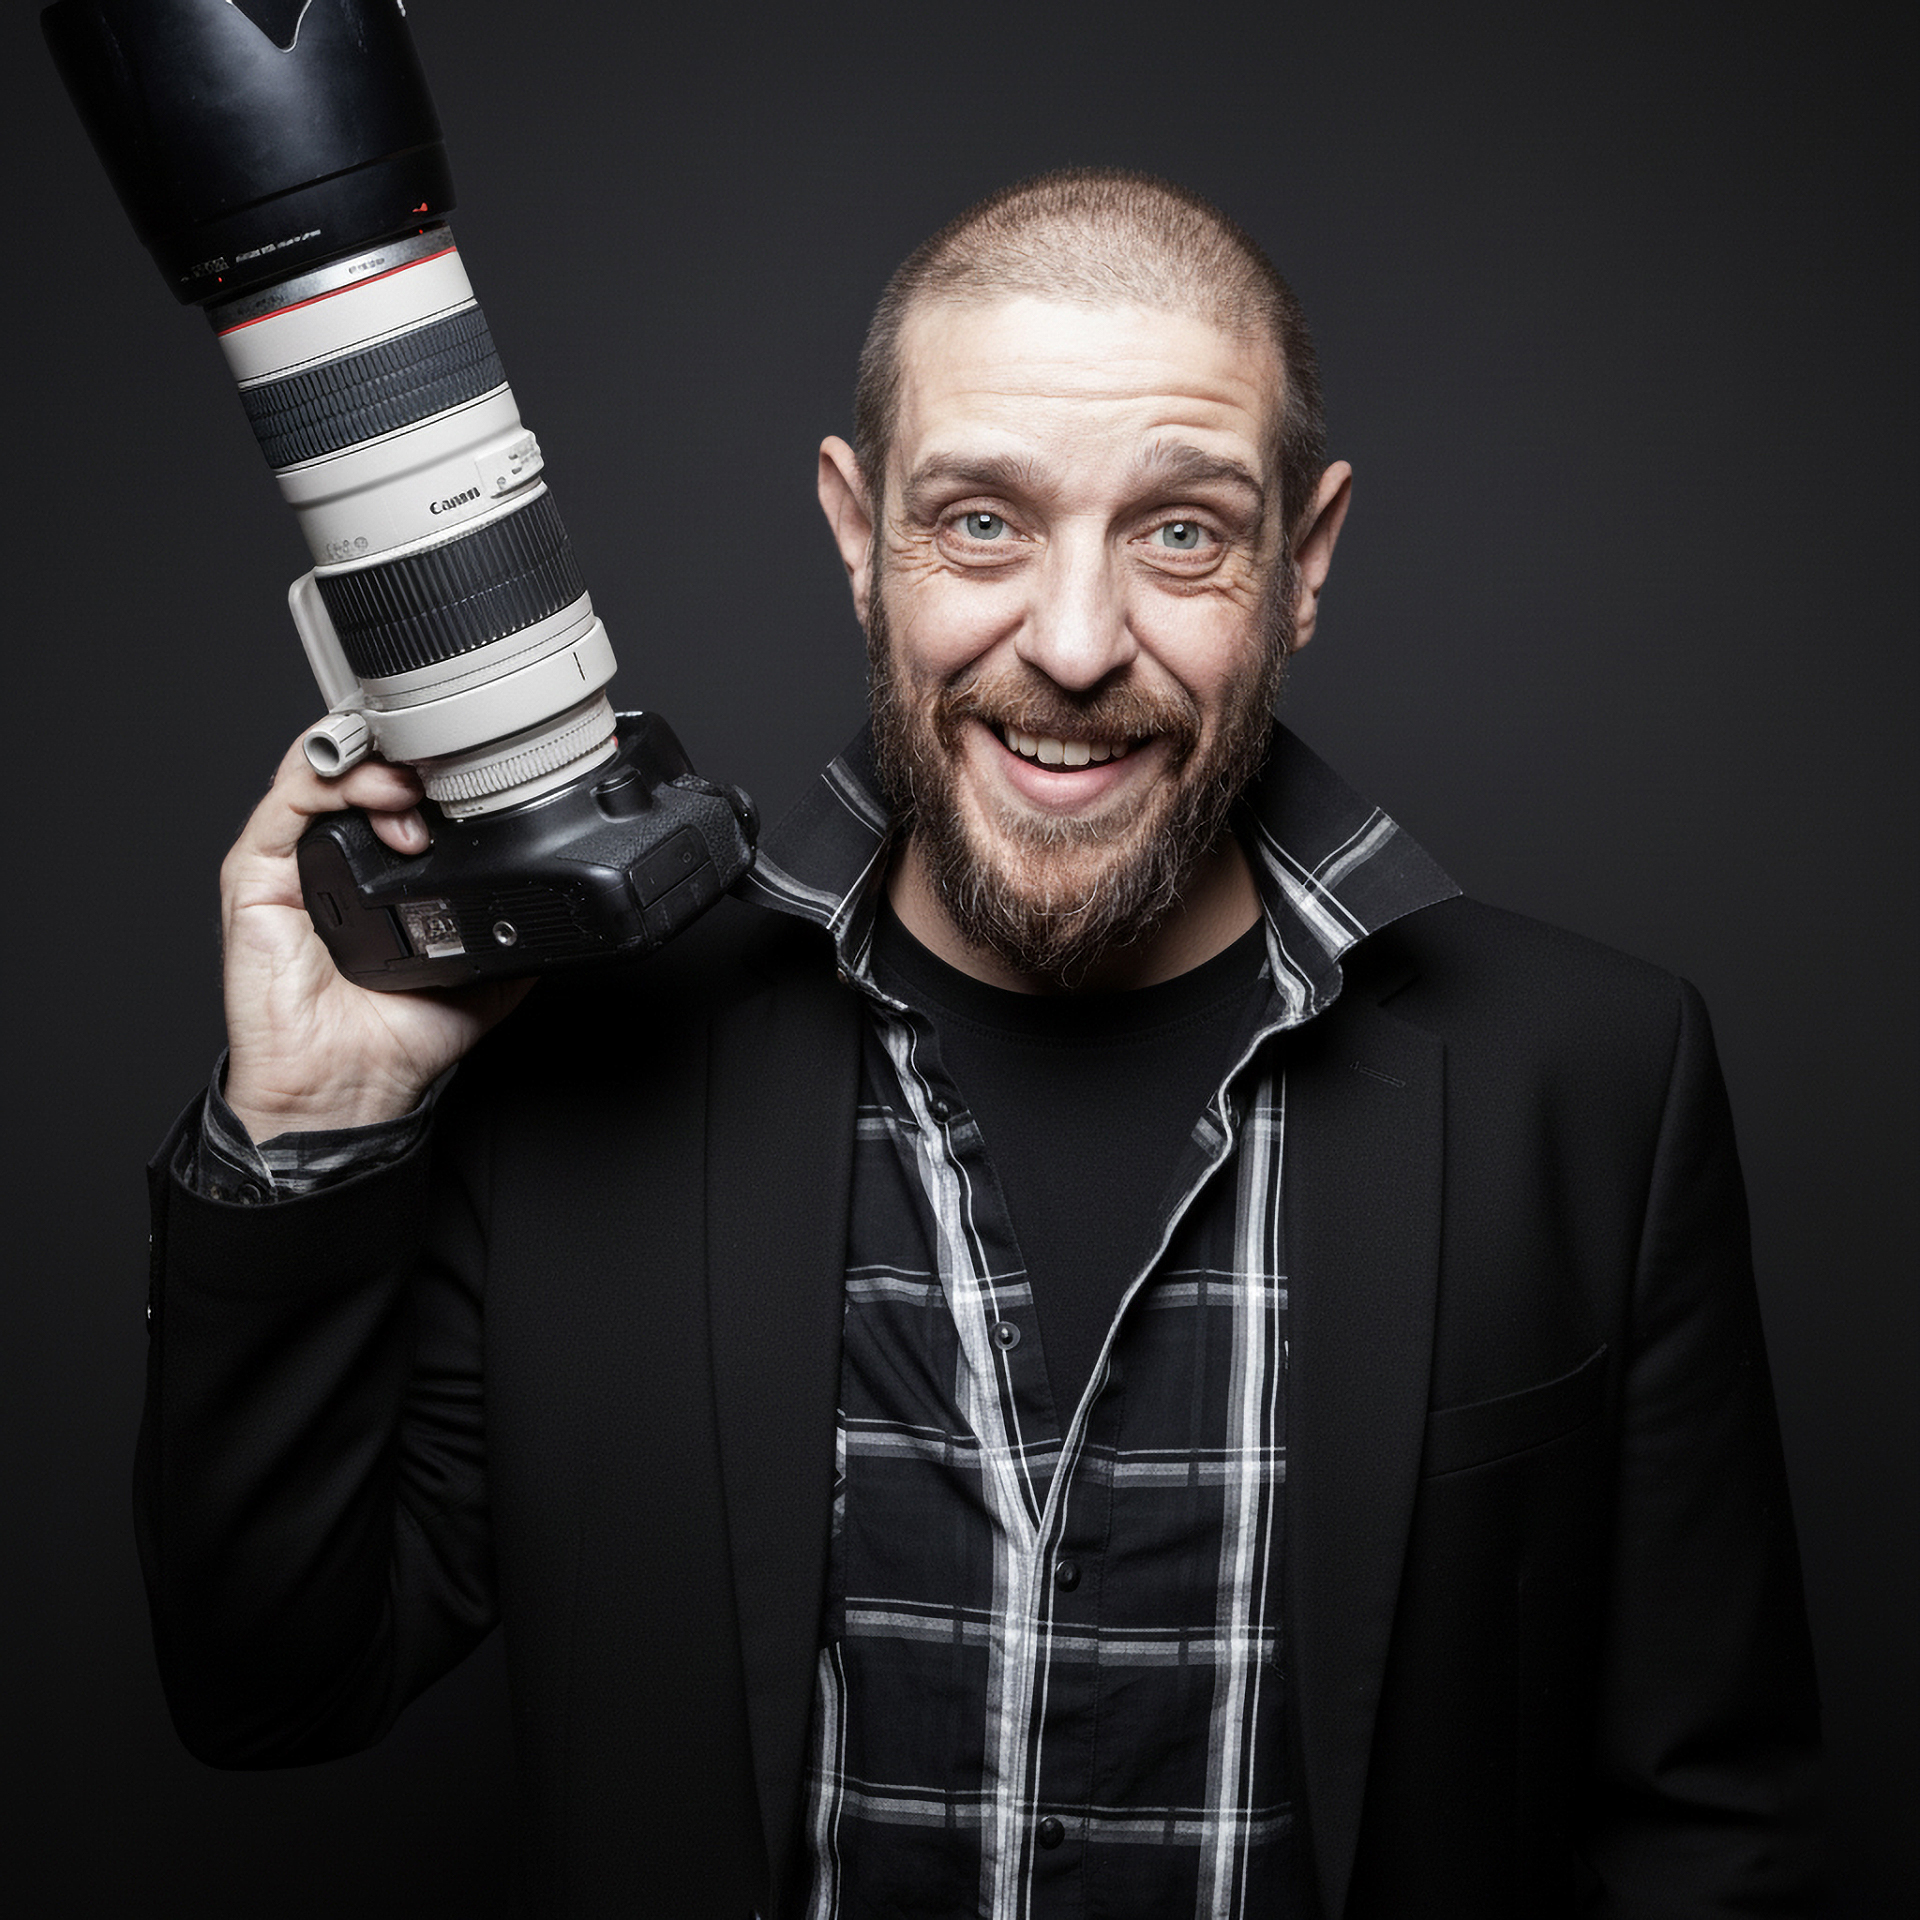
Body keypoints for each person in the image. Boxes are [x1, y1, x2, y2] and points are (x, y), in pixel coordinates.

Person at [140, 170, 1819, 1918]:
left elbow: (1710, 1828)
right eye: (983, 523)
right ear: (857, 532)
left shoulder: (1592, 1080)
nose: (1075, 646)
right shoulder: (585, 1065)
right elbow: (274, 1691)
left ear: (1304, 563)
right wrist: (311, 1127)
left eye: (1183, 534)